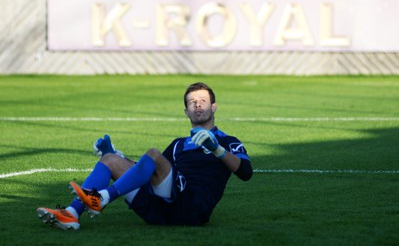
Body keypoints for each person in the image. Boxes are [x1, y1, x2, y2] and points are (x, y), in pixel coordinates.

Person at [36, 82, 252, 230]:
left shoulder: (227, 141)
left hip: (192, 209)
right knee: (110, 160)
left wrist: (217, 149)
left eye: (202, 100)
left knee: (154, 155)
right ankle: (72, 213)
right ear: (186, 111)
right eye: (191, 102)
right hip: (159, 211)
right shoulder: (178, 144)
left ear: (214, 107)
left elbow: (246, 172)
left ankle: (102, 198)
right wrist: (116, 155)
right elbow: (149, 171)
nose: (197, 104)